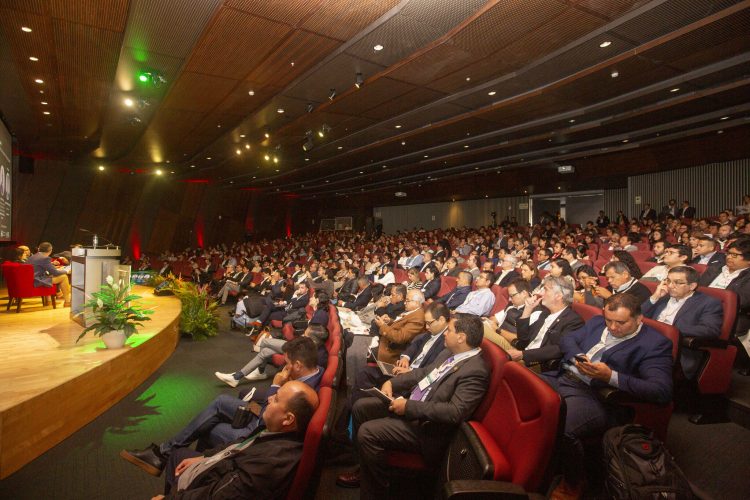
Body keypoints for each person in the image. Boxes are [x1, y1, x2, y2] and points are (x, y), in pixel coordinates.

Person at [121, 337, 323, 477]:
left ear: (298, 365)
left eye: (287, 364)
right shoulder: (315, 371)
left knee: (212, 428)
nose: (284, 367)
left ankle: (183, 465)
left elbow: (266, 421)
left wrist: (276, 385)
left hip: (260, 434)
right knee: (221, 401)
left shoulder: (305, 391)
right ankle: (167, 455)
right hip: (266, 416)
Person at [337, 315, 490, 497]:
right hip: (414, 405)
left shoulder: (476, 370)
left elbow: (455, 412)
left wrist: (409, 406)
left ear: (461, 337)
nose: (444, 334)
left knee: (367, 433)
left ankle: (376, 491)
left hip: (428, 428)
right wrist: (392, 383)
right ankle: (364, 469)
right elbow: (423, 373)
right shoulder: (449, 353)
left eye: (449, 330)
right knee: (361, 407)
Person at [543, 293, 673, 498]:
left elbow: (661, 390)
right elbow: (569, 339)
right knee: (519, 389)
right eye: (609, 320)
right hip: (564, 377)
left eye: (620, 323)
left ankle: (574, 482)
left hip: (597, 397)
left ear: (639, 319)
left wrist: (610, 376)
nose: (612, 327)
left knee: (563, 425)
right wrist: (577, 356)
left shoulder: (655, 344)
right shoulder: (597, 322)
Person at [154, 381, 318, 499]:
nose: (269, 399)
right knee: (178, 454)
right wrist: (204, 457)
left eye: (276, 399)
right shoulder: (276, 432)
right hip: (222, 466)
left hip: (214, 481)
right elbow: (241, 443)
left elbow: (219, 495)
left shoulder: (270, 462)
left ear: (288, 419)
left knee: (176, 458)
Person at [350, 302, 449, 407]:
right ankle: (353, 408)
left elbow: (433, 370)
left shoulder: (447, 341)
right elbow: (415, 344)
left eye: (429, 323)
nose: (427, 327)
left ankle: (359, 408)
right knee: (365, 373)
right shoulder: (431, 332)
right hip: (404, 370)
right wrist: (405, 357)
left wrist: (410, 371)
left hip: (414, 380)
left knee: (362, 398)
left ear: (441, 320)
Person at [642, 266, 723, 379]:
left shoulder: (708, 303)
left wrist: (671, 330)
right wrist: (655, 297)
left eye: (677, 282)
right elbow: (638, 317)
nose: (670, 286)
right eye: (668, 281)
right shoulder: (664, 296)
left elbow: (710, 330)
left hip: (675, 349)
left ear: (692, 286)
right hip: (647, 341)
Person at [506, 276, 584, 372]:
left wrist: (523, 354)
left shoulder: (574, 321)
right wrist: (527, 309)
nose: (541, 293)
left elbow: (559, 349)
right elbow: (523, 339)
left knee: (499, 360)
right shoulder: (545, 313)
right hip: (522, 352)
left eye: (545, 290)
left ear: (558, 296)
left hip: (536, 363)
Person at [374, 289, 426, 364]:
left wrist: (383, 326)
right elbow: (401, 325)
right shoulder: (413, 311)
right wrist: (389, 321)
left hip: (390, 351)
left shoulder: (418, 318)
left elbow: (399, 337)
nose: (404, 303)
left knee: (361, 350)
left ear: (417, 303)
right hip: (385, 341)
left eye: (407, 300)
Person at [27, 242, 71, 306]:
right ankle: (67, 302)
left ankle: (49, 302)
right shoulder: (44, 258)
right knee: (63, 277)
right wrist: (67, 271)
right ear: (50, 250)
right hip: (37, 281)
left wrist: (52, 264)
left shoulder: (33, 257)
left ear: (39, 249)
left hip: (29, 280)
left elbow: (40, 267)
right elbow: (55, 273)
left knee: (49, 275)